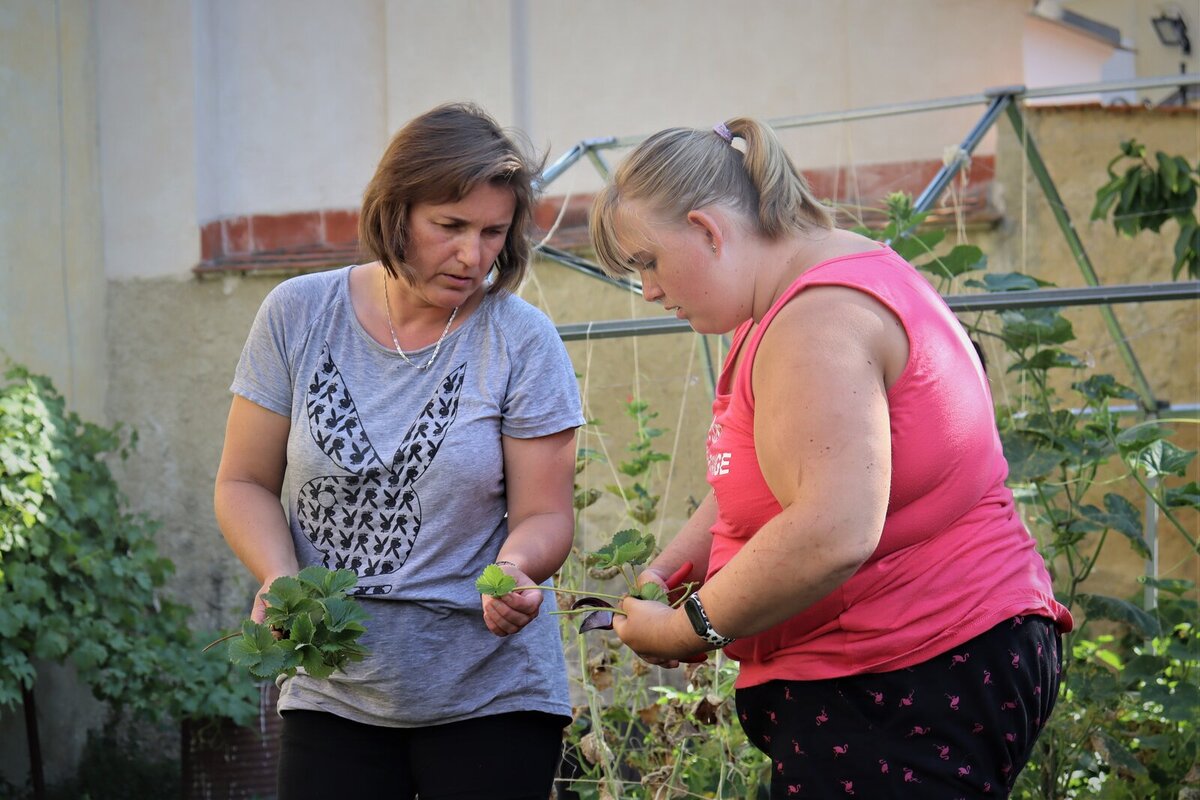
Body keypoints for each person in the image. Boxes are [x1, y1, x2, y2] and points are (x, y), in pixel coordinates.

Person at [589, 117, 1073, 798]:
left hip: (911, 673)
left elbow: (831, 530)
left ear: (707, 231)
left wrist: (686, 631)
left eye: (647, 262)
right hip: (904, 673)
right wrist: (673, 568)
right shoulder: (794, 296)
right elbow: (761, 482)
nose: (648, 291)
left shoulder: (816, 322)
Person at [215, 102, 584, 799]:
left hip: (491, 694)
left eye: (493, 233)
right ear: (395, 212)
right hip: (334, 686)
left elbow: (546, 514)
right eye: (450, 226)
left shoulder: (522, 340)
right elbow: (243, 483)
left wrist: (515, 569)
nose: (473, 256)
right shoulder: (297, 314)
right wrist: (279, 578)